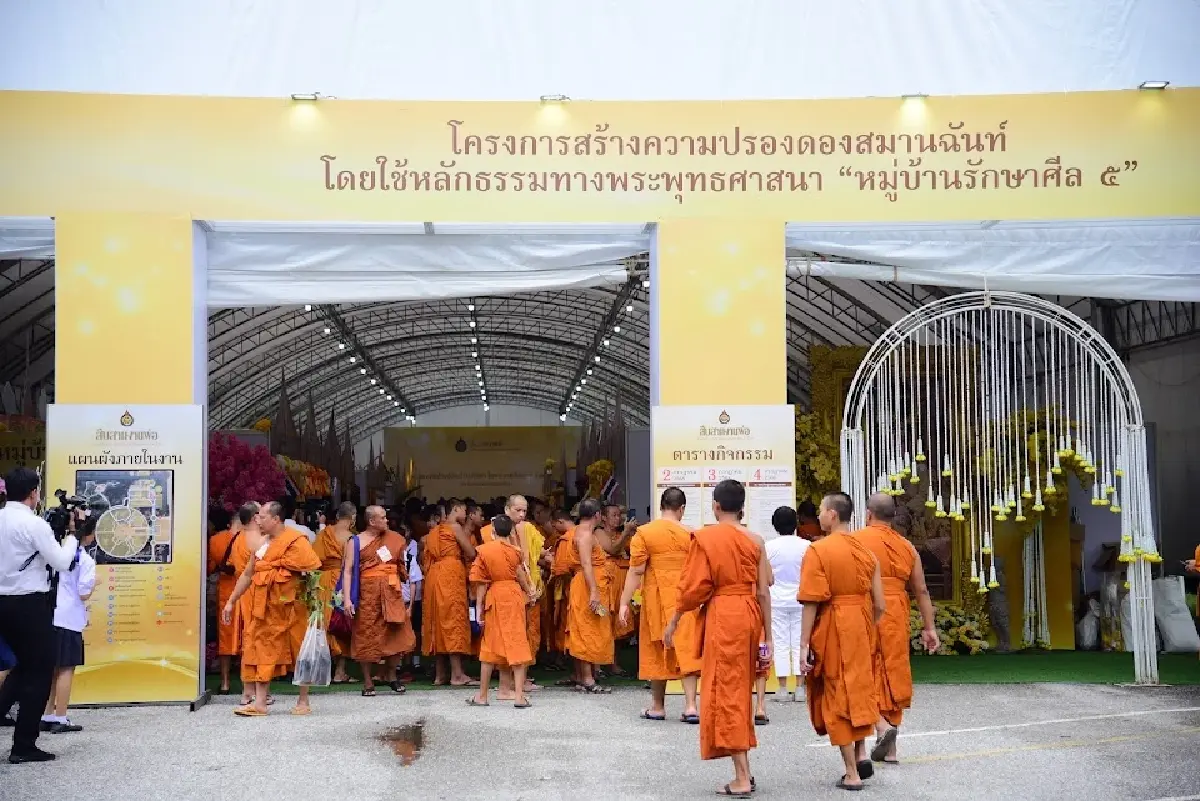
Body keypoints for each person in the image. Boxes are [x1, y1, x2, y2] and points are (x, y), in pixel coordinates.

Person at [665, 479, 772, 798]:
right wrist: (767, 636)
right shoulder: (755, 539)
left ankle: (742, 776)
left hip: (725, 615)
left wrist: (674, 620)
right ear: (742, 507)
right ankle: (743, 770)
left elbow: (694, 588)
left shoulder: (707, 538)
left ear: (715, 506)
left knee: (726, 690)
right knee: (738, 688)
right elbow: (764, 591)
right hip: (750, 614)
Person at [798, 492, 887, 791]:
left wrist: (803, 645)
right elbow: (880, 605)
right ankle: (860, 752)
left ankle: (851, 773)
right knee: (858, 689)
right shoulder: (867, 551)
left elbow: (811, 601)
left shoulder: (819, 551)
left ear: (832, 515)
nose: (819, 516)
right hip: (860, 624)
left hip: (833, 623)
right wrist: (864, 626)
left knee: (836, 692)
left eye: (821, 511)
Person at [0, 467, 81, 763]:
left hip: (2, 600)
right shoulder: (33, 524)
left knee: (21, 665)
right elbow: (60, 562)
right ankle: (23, 745)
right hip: (28, 602)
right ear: (34, 493)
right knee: (40, 669)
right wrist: (72, 536)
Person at [855, 493, 939, 764]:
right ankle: (890, 750)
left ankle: (868, 740)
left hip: (865, 608)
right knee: (892, 671)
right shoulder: (907, 546)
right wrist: (930, 627)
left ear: (868, 514)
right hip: (896, 611)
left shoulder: (856, 541)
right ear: (893, 517)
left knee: (864, 668)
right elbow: (922, 589)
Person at [223, 501, 320, 717]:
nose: (258, 519)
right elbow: (248, 574)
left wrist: (315, 607)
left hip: (292, 608)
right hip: (264, 608)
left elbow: (313, 571)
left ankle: (303, 700)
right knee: (259, 648)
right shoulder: (262, 543)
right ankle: (259, 704)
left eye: (263, 516)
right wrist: (231, 601)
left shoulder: (296, 541)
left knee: (299, 651)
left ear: (276, 519)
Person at [617, 487, 700, 723]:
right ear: (682, 509)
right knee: (686, 647)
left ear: (661, 506)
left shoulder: (644, 533)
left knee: (655, 647)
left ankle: (657, 706)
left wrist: (624, 602)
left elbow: (636, 570)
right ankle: (691, 706)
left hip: (656, 597)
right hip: (685, 598)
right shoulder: (692, 534)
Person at [343, 505, 414, 696]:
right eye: (382, 518)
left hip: (391, 593)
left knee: (397, 632)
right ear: (371, 521)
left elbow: (401, 567)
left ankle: (391, 674)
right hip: (367, 596)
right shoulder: (356, 542)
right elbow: (348, 571)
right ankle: (367, 682)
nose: (387, 521)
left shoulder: (394, 539)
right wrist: (347, 599)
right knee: (366, 635)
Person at [467, 514, 536, 708]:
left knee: (490, 644)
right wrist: (529, 591)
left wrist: (479, 606)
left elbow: (481, 581)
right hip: (513, 595)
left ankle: (482, 696)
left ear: (493, 531)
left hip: (495, 595)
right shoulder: (515, 551)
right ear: (511, 531)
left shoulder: (485, 551)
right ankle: (519, 697)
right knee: (517, 642)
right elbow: (520, 575)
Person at [38, 514, 97, 735]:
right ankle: (61, 716)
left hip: (50, 616)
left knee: (52, 668)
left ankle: (46, 713)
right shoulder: (86, 561)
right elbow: (83, 593)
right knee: (66, 668)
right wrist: (94, 585)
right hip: (70, 618)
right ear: (89, 536)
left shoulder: (57, 554)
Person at [420, 499, 478, 686]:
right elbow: (470, 553)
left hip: (433, 577)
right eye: (463, 510)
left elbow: (424, 558)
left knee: (437, 621)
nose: (465, 513)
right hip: (450, 574)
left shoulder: (432, 532)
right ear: (455, 510)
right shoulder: (454, 527)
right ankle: (457, 675)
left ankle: (440, 675)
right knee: (453, 621)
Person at [565, 499, 614, 693]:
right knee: (586, 629)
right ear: (597, 515)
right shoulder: (585, 534)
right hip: (588, 586)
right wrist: (594, 591)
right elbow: (586, 564)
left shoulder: (581, 532)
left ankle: (584, 676)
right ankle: (587, 678)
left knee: (588, 627)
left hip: (589, 584)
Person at [764, 505, 811, 703]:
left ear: (775, 525)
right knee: (801, 642)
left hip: (776, 601)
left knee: (781, 643)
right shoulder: (807, 546)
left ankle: (782, 688)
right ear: (796, 524)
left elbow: (765, 576)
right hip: (801, 599)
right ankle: (800, 687)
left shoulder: (768, 547)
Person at [314, 502, 356, 684]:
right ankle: (340, 671)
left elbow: (313, 560)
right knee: (342, 624)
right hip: (342, 583)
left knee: (323, 623)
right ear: (352, 518)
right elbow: (353, 565)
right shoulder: (351, 538)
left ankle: (322, 672)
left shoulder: (324, 534)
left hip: (323, 581)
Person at [598, 503, 637, 677]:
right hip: (607, 581)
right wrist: (627, 532)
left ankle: (614, 662)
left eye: (619, 515)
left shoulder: (621, 533)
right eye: (613, 515)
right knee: (605, 621)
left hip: (622, 581)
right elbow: (612, 549)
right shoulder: (599, 533)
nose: (618, 518)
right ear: (603, 518)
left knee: (621, 622)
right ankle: (600, 664)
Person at [206, 508, 240, 694]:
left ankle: (225, 683)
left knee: (225, 637)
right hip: (246, 590)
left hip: (226, 591)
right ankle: (249, 684)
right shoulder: (250, 539)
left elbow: (210, 566)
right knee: (248, 634)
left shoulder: (216, 540)